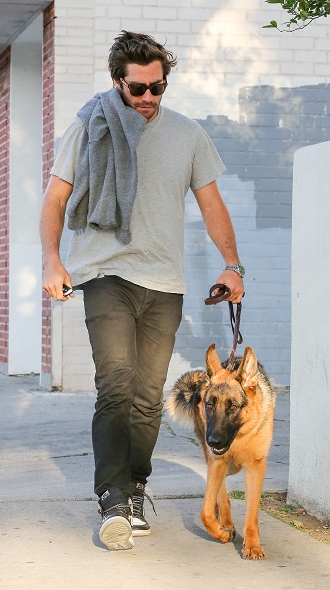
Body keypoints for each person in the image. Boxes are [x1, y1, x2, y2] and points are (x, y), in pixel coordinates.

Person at [39, 30, 244, 551]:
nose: (148, 98)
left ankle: (134, 488)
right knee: (116, 385)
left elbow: (212, 203)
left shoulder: (188, 134)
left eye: (157, 88)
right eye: (138, 90)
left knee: (148, 397)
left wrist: (232, 265)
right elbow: (57, 198)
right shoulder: (89, 126)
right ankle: (111, 498)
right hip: (105, 274)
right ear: (117, 83)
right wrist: (52, 258)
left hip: (164, 281)